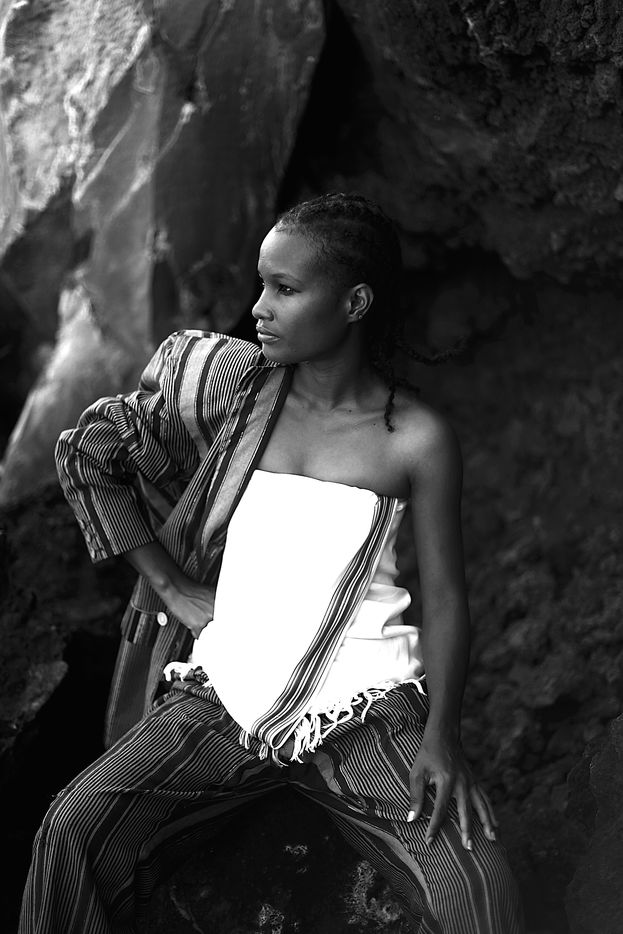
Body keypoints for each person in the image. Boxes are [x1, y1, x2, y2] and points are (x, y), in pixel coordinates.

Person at [19, 193, 524, 933]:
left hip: (362, 708)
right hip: (222, 695)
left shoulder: (414, 438)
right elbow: (90, 452)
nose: (259, 308)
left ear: (354, 303)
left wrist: (440, 738)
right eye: (262, 284)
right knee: (73, 827)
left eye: (285, 289)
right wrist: (171, 586)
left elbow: (446, 597)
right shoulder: (231, 389)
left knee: (474, 883)